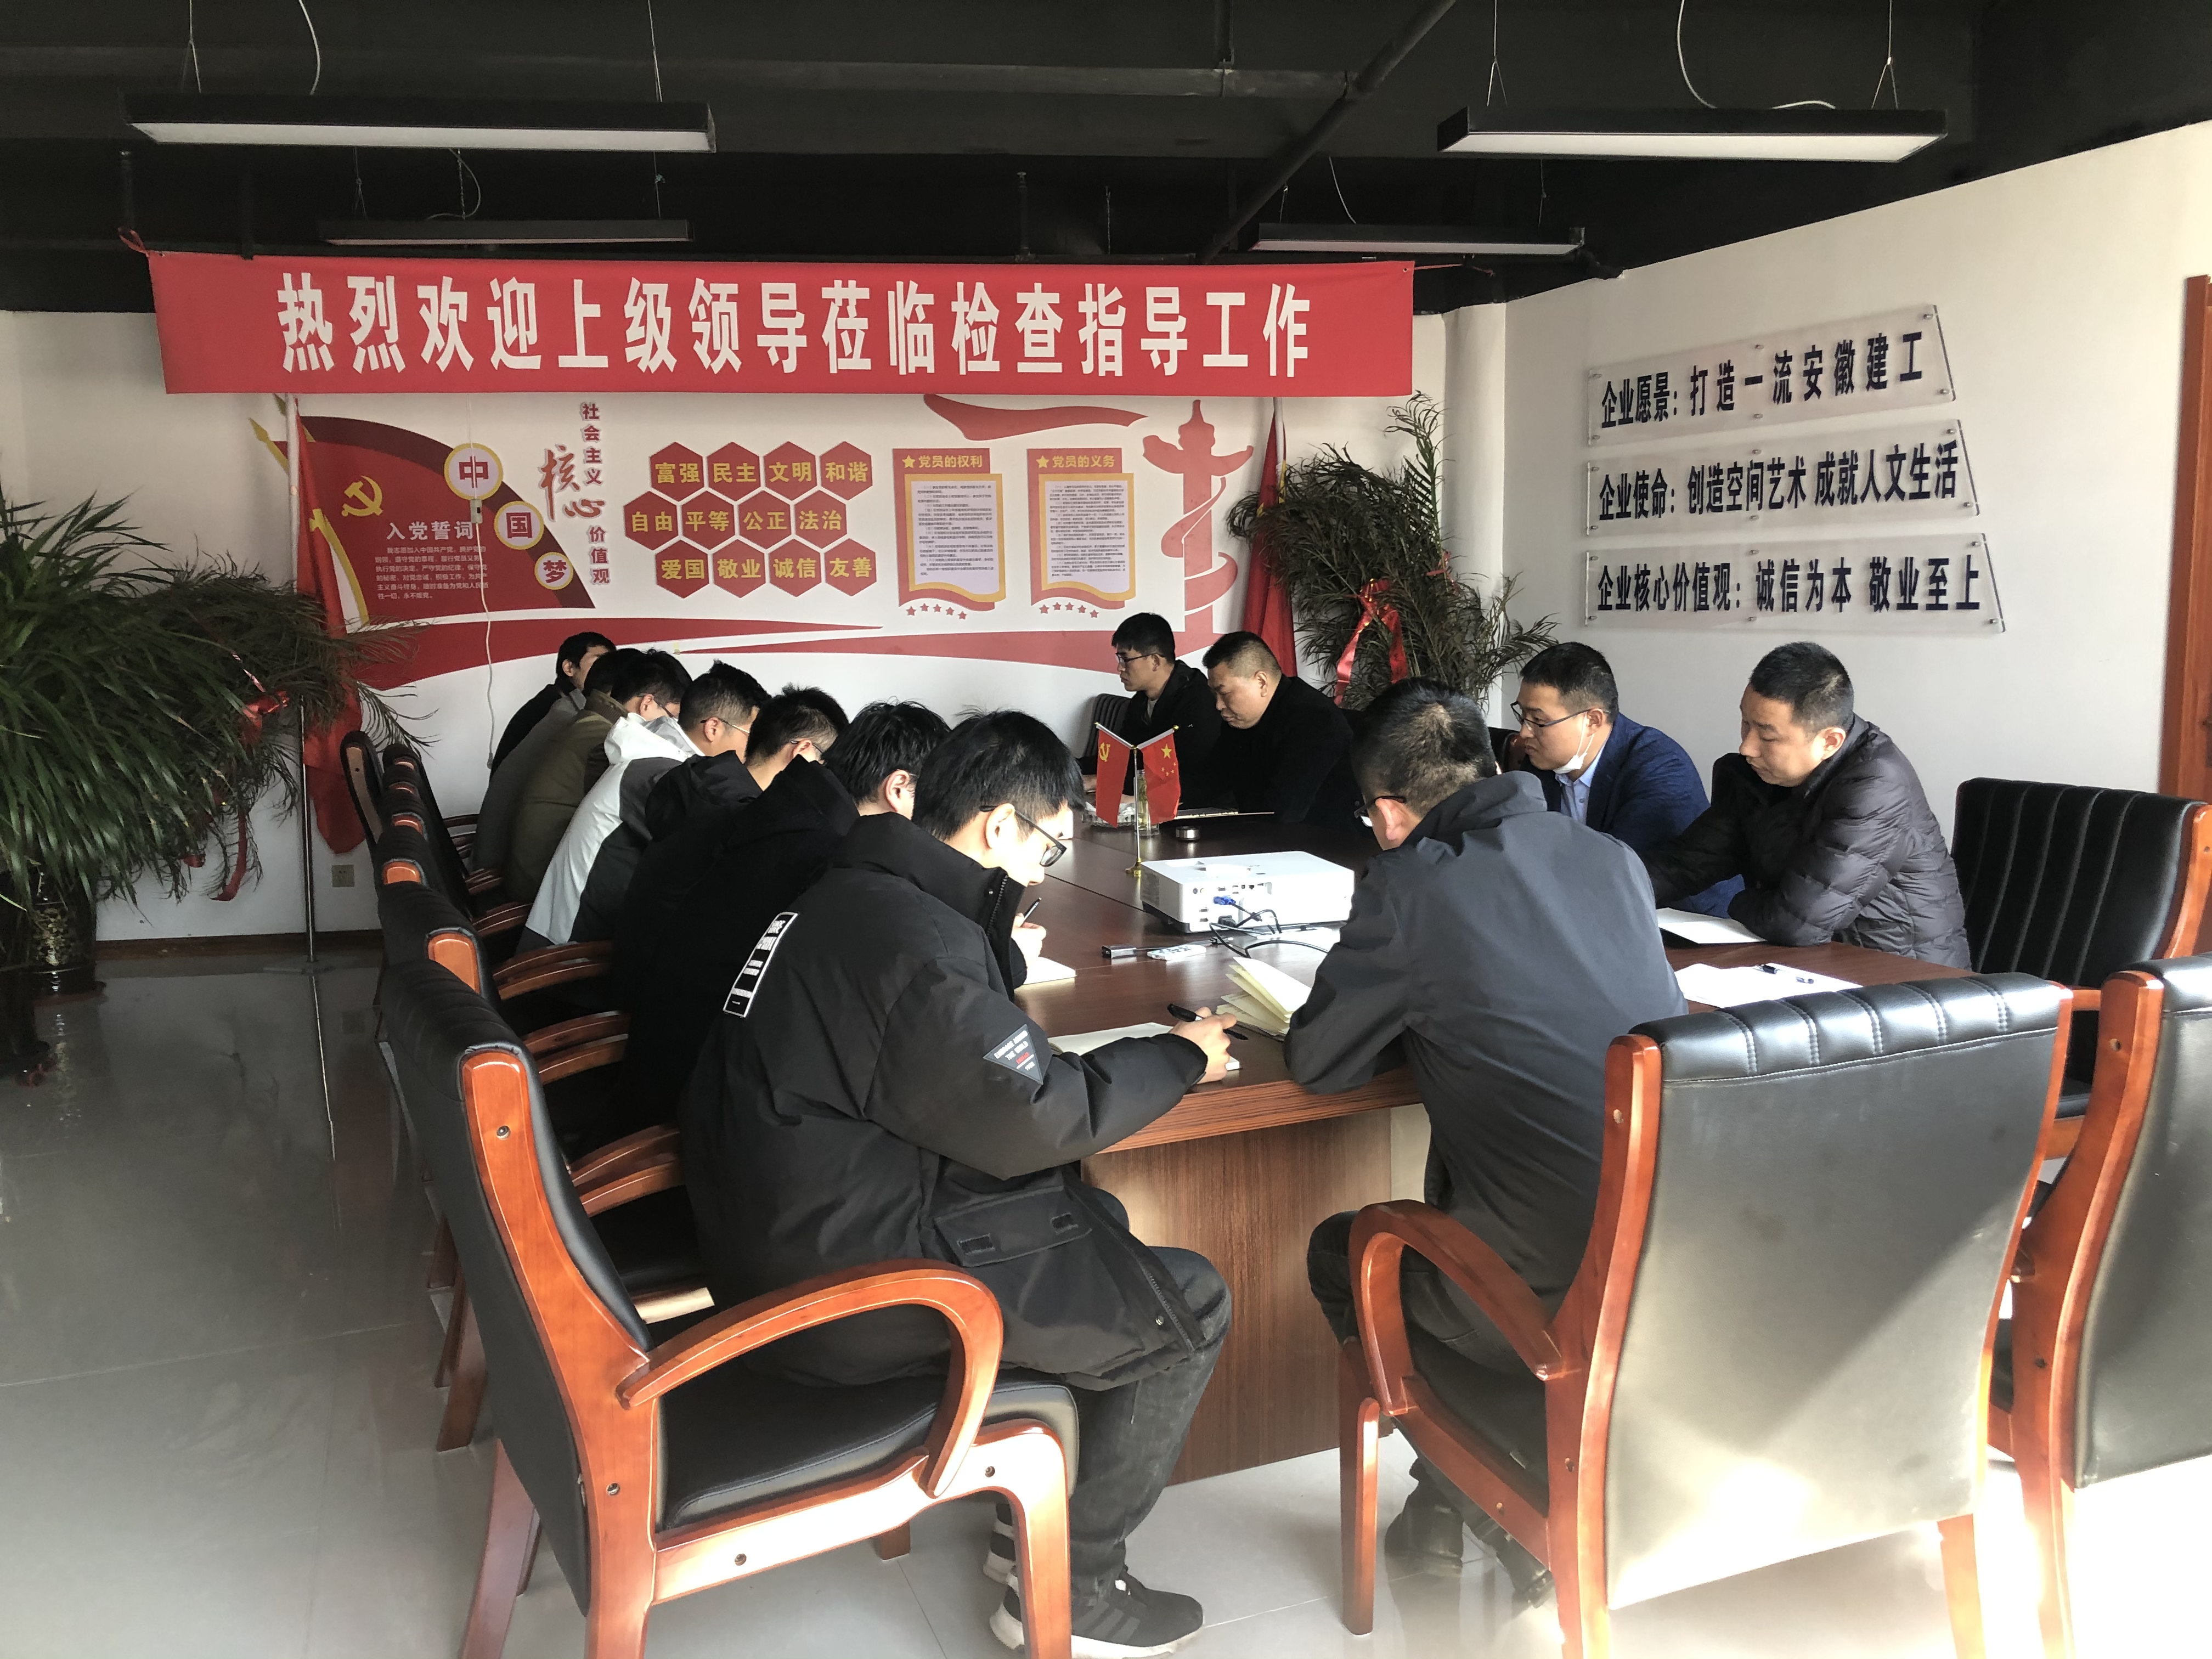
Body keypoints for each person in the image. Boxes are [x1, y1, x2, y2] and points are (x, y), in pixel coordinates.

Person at [681, 712, 1235, 1657]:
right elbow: (1036, 1115)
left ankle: (1032, 1522)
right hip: (848, 1286)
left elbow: (954, 1055)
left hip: (778, 1232)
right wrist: (1182, 1056)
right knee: (1183, 1300)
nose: (1045, 870)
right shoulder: (911, 943)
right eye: (1047, 846)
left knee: (1095, 1220)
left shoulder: (853, 894)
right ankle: (1075, 1588)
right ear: (997, 826)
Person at [1289, 679, 1685, 1604]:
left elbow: (1319, 1059)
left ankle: (1514, 1504)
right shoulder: (1611, 857)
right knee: (1471, 1188)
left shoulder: (1412, 885)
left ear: (1389, 813)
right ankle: (1449, 1499)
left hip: (1546, 1303)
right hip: (1668, 1268)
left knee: (1345, 1252)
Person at [613, 698, 943, 1130]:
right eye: (936, 801)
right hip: (699, 1106)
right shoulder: (827, 854)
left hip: (664, 1057)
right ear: (898, 788)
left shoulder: (788, 809)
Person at [1640, 641, 1971, 967]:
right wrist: (1616, 891)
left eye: (1767, 736)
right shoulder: (1761, 775)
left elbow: (1796, 924)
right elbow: (1686, 864)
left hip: (1902, 975)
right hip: (1810, 962)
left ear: (1829, 741)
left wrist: (1738, 901)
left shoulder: (1877, 785)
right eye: (1745, 724)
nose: (1747, 747)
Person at [1511, 641, 1741, 917]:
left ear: (1593, 720)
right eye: (1522, 715)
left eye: (1538, 720)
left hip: (1689, 922)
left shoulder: (1659, 766)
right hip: (1595, 911)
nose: (1524, 732)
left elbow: (1615, 871)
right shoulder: (1541, 760)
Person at [555, 667, 774, 949]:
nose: (754, 752)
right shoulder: (664, 775)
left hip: (589, 931)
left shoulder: (660, 752)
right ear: (713, 728)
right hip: (571, 951)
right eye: (752, 737)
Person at [505, 648, 687, 904]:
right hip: (541, 885)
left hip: (533, 867)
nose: (673, 728)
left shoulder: (591, 721)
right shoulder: (607, 741)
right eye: (672, 718)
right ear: (646, 703)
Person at [1202, 630, 1359, 828]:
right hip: (1262, 836)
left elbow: (1282, 812)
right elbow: (1209, 783)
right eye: (1214, 694)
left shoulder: (1315, 720)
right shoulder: (1238, 721)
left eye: (1224, 693)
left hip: (1326, 841)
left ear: (1261, 682)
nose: (1218, 705)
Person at [1081, 611, 1226, 808]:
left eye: (1125, 659)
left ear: (1155, 661)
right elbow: (1126, 757)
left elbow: (1195, 778)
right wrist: (1071, 771)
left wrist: (1135, 798)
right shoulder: (1140, 701)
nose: (1120, 668)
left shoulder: (1199, 702)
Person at [490, 630, 613, 773]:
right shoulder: (556, 710)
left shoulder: (563, 700)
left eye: (610, 666)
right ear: (569, 668)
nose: (606, 674)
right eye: (598, 664)